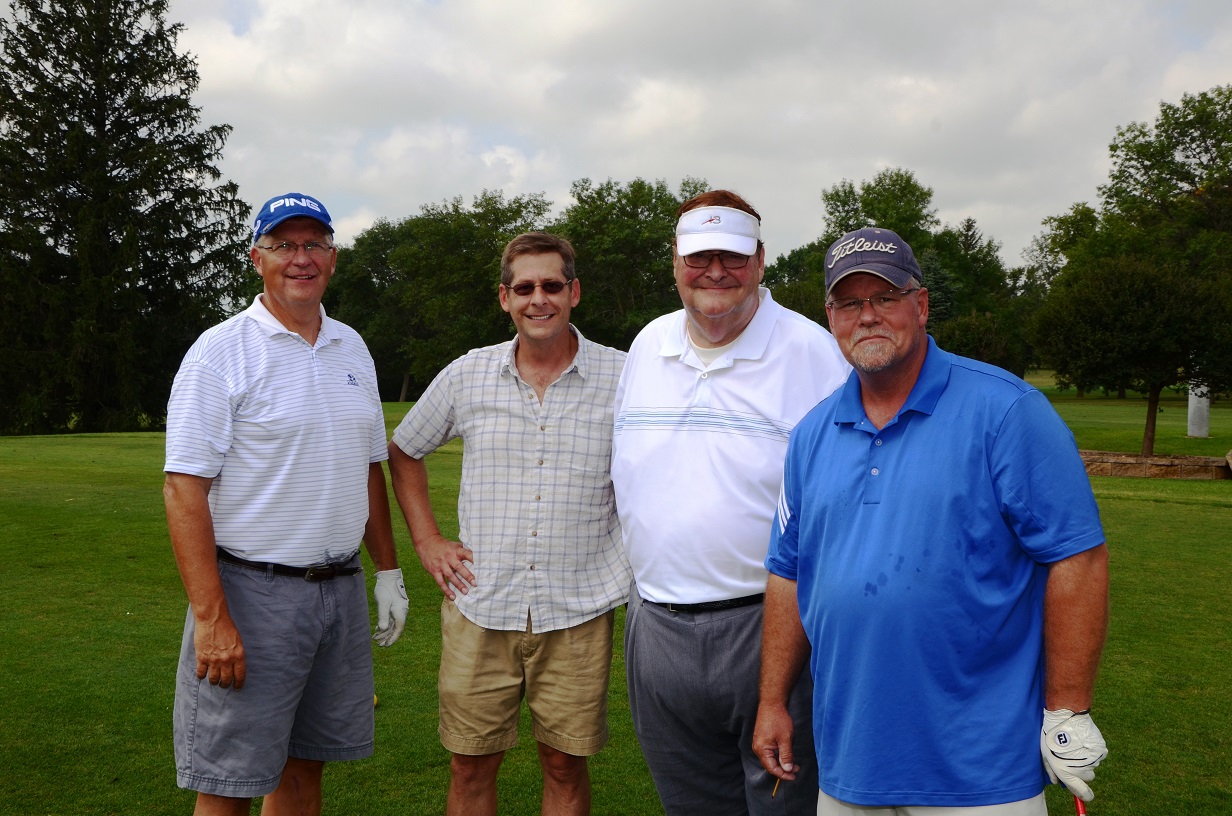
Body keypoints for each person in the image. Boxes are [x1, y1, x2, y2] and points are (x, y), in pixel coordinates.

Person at [754, 226, 1110, 815]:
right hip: (850, 762)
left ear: (919, 305)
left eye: (885, 298)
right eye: (849, 302)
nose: (866, 316)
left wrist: (1067, 708)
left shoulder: (1008, 411)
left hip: (981, 768)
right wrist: (772, 699)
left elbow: (1077, 555)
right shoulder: (811, 434)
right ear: (831, 316)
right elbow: (790, 572)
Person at [163, 192, 409, 816]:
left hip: (339, 589)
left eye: (313, 245)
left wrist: (388, 571)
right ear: (256, 258)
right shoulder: (220, 350)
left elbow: (369, 466)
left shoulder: (352, 346)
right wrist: (213, 618)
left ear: (332, 256)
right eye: (283, 245)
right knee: (229, 783)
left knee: (304, 768)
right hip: (252, 592)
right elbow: (183, 488)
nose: (301, 258)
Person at [610, 190, 851, 815]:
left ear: (761, 260)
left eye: (732, 257)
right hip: (656, 627)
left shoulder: (812, 351)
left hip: (769, 624)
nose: (715, 272)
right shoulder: (647, 345)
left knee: (782, 805)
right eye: (698, 257)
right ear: (674, 262)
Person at [386, 232, 628, 816]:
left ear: (574, 292)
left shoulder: (626, 375)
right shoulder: (469, 374)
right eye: (524, 288)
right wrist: (426, 540)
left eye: (551, 285)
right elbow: (404, 450)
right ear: (504, 298)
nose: (537, 299)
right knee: (470, 764)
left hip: (580, 605)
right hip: (481, 603)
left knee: (565, 764)